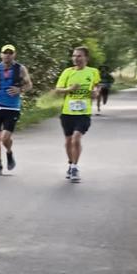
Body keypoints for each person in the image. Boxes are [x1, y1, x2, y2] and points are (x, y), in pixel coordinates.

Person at [0, 44, 34, 176]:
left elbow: (29, 85)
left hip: (12, 108)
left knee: (5, 138)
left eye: (10, 53)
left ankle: (9, 152)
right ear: (1, 54)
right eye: (5, 52)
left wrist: (20, 90)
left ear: (14, 55)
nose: (7, 55)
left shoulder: (20, 69)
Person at [55, 46, 101, 182]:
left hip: (83, 113)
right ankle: (71, 163)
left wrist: (96, 92)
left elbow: (97, 86)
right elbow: (58, 90)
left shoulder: (93, 72)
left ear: (86, 58)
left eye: (79, 56)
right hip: (67, 112)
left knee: (76, 138)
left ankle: (75, 167)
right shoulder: (67, 72)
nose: (76, 58)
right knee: (68, 141)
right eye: (74, 56)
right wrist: (69, 89)